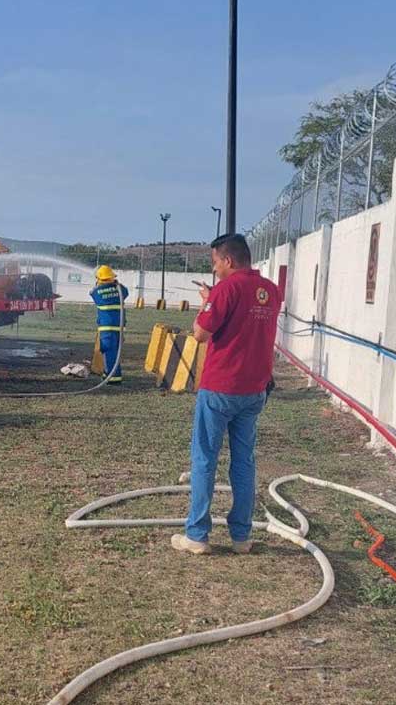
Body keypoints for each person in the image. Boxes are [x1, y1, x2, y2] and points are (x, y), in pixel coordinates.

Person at [172, 233, 280, 555]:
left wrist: (209, 300)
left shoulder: (226, 289)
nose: (215, 269)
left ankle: (197, 535)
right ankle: (241, 536)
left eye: (215, 263)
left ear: (228, 260)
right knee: (243, 462)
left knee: (204, 458)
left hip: (220, 388)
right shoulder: (271, 291)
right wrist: (215, 297)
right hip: (254, 390)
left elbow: (201, 333)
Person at [89, 265, 128, 384]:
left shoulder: (97, 292)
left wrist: (98, 284)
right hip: (120, 327)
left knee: (108, 351)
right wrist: (116, 284)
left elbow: (92, 292)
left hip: (107, 328)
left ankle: (113, 378)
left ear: (99, 279)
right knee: (115, 351)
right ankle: (110, 374)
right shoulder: (120, 289)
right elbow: (126, 292)